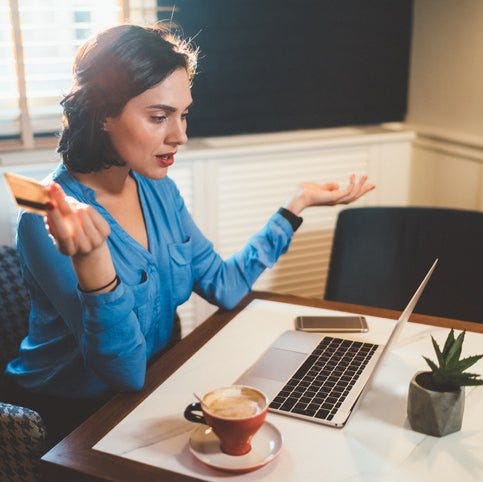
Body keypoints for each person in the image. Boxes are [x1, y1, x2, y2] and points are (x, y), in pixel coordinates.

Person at [4, 24, 374, 446]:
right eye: (159, 117)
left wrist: (296, 205)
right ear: (103, 113)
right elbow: (123, 371)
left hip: (152, 389)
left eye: (183, 114)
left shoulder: (158, 187)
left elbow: (225, 285)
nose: (180, 135)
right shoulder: (47, 220)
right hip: (67, 417)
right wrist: (94, 265)